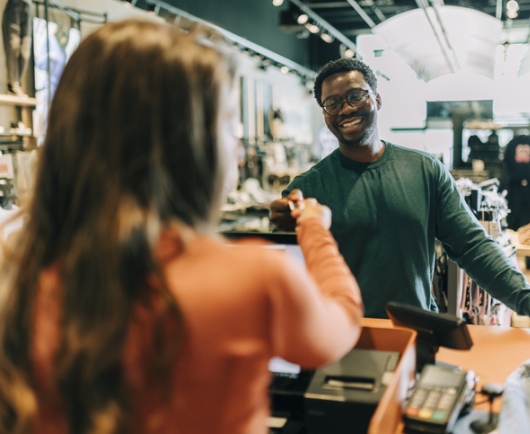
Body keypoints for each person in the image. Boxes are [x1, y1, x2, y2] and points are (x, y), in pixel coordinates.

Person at [0, 20, 363, 434]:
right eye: (228, 123)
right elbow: (341, 323)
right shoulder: (252, 278)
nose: (238, 145)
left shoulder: (21, 278)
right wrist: (315, 228)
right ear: (189, 143)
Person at [270, 58, 530, 343]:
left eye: (356, 96)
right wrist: (279, 228)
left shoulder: (423, 170)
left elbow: (472, 245)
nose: (345, 108)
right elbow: (287, 274)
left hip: (416, 334)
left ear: (376, 99)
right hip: (339, 338)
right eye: (332, 103)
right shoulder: (309, 187)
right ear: (324, 112)